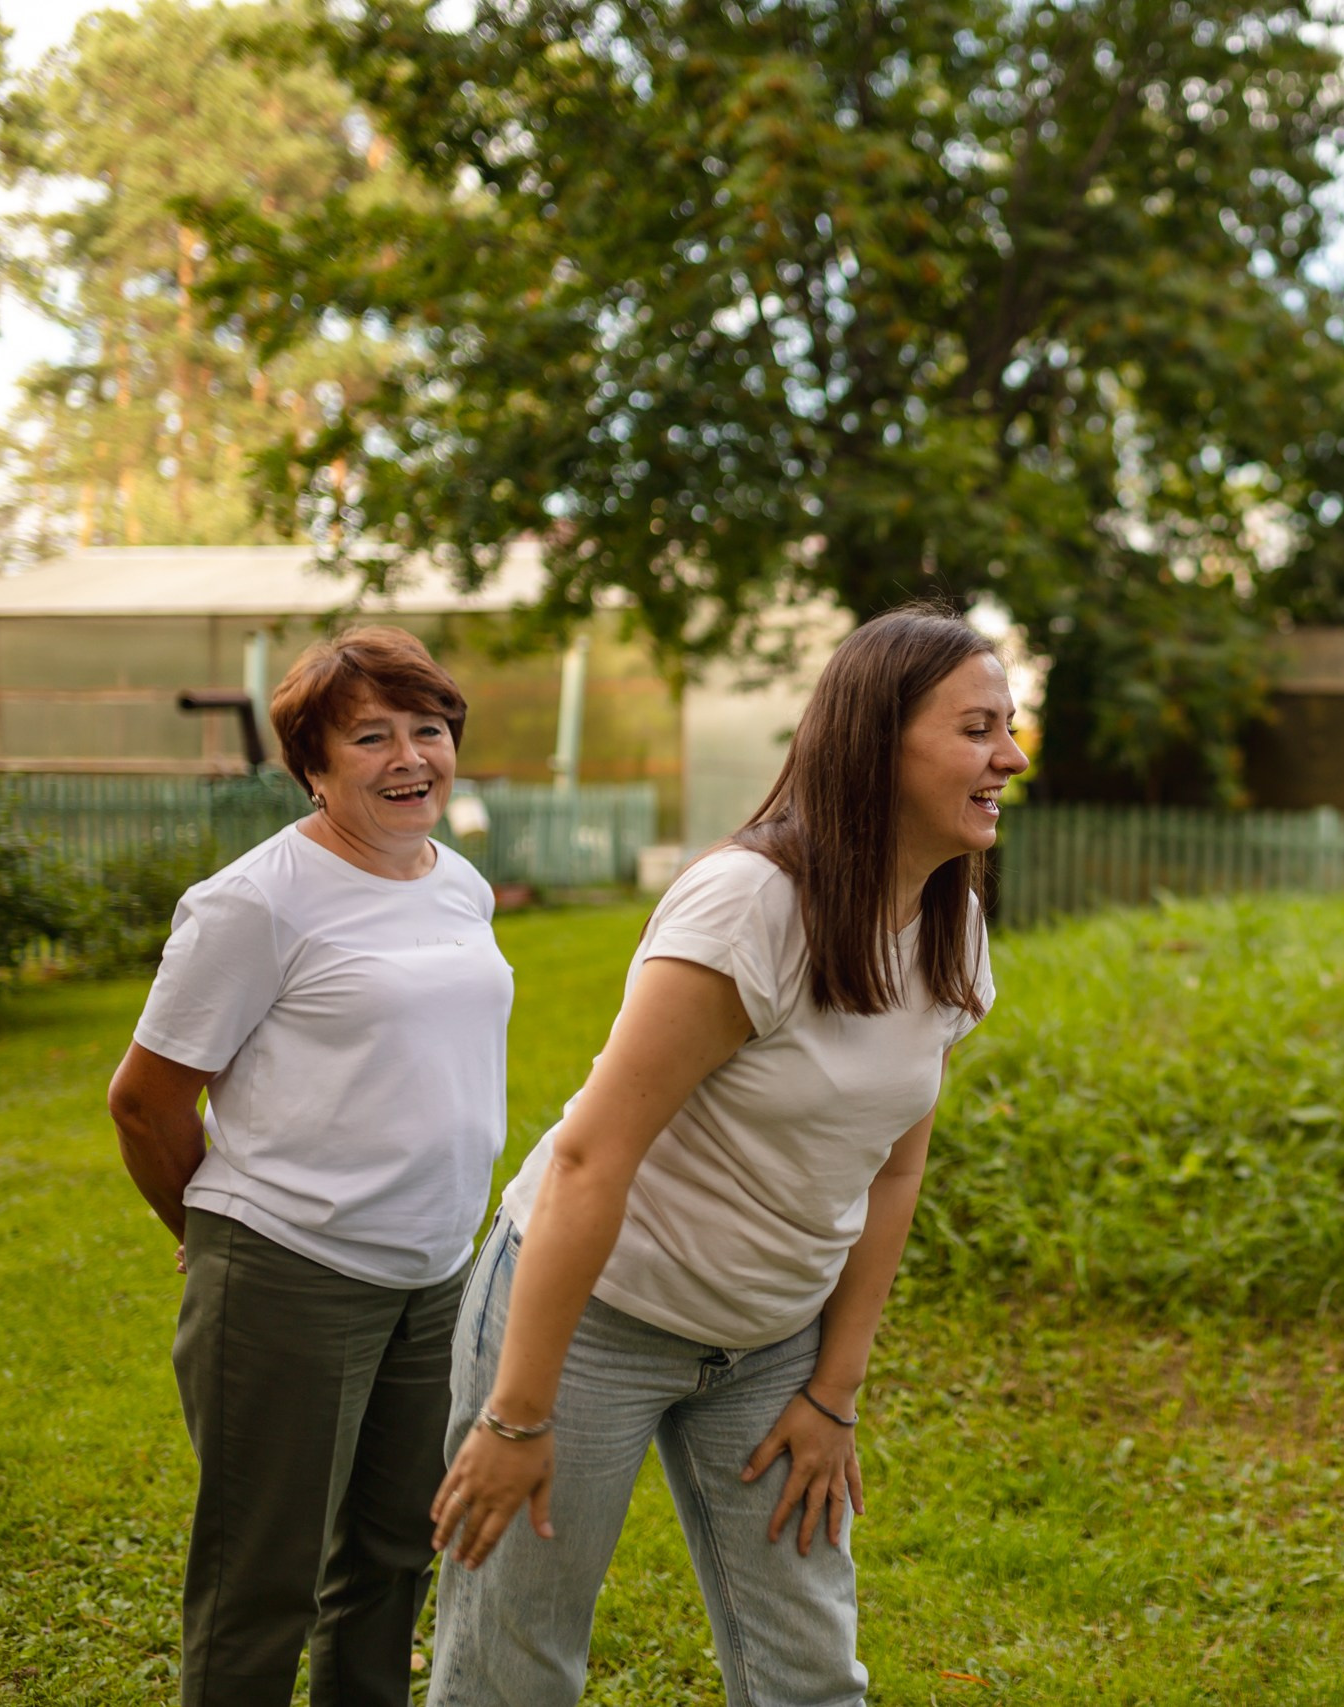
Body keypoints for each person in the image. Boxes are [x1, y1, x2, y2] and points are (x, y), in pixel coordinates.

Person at [425, 607, 1027, 1707]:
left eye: (1010, 727)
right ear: (875, 742)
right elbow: (589, 1161)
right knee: (515, 1669)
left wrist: (833, 1392)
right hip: (589, 1319)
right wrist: (518, 1413)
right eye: (978, 729)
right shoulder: (750, 905)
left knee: (809, 1667)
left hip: (767, 1345)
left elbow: (891, 1169)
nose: (1010, 757)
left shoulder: (953, 923)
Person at [105, 627, 513, 1707]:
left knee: (389, 1562)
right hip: (289, 1273)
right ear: (314, 767)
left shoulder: (457, 882)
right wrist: (215, 1242)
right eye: (369, 737)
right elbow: (146, 1102)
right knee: (261, 1582)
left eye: (427, 729)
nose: (408, 757)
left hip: (433, 1278)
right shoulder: (256, 902)